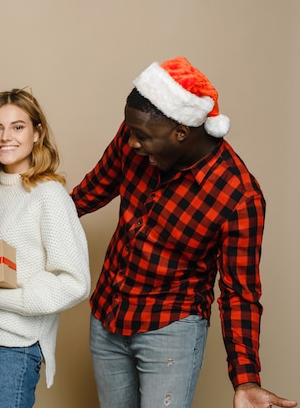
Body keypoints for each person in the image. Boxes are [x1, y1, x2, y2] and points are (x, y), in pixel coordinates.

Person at [71, 56, 297, 408]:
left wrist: (246, 379)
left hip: (170, 328)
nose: (130, 143)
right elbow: (92, 191)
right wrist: (31, 220)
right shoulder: (137, 132)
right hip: (108, 314)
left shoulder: (239, 196)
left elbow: (240, 293)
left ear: (182, 132)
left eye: (142, 137)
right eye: (130, 132)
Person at [0, 88, 91, 408]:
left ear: (37, 133)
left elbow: (75, 282)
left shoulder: (49, 195)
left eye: (17, 127)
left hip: (13, 343)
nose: (5, 137)